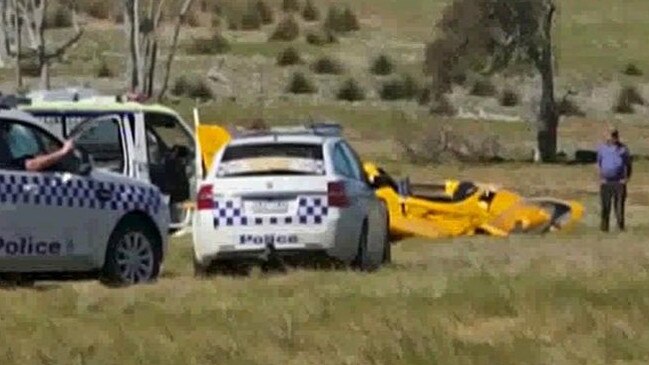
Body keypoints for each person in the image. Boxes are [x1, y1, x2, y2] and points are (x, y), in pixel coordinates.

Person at [597, 127, 632, 232]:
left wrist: (626, 179)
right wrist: (600, 178)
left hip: (619, 182)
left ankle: (620, 227)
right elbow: (599, 164)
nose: (613, 137)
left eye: (615, 135)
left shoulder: (623, 149)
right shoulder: (602, 149)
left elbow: (628, 165)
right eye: (611, 135)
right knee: (605, 206)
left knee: (619, 206)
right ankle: (604, 228)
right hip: (605, 182)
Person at [0, 123, 75, 172]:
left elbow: (34, 160)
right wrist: (63, 151)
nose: (4, 136)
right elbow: (32, 165)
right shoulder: (6, 161)